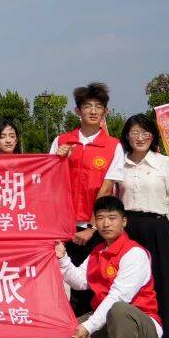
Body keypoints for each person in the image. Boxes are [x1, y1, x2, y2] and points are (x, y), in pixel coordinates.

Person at [97, 114, 169, 338]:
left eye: (145, 133)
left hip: (157, 228)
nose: (139, 137)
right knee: (131, 289)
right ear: (126, 136)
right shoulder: (120, 164)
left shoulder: (164, 164)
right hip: (128, 231)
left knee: (164, 287)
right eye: (134, 132)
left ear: (153, 136)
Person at [50, 196, 162, 338]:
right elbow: (79, 281)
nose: (106, 223)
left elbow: (118, 296)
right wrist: (62, 257)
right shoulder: (97, 251)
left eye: (112, 217)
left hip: (142, 324)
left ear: (124, 221)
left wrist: (88, 326)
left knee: (118, 309)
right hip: (107, 322)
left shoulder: (134, 254)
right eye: (100, 218)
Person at [52, 82, 125, 314]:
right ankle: (65, 336)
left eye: (98, 106)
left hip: (95, 228)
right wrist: (57, 159)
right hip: (63, 227)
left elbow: (106, 190)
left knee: (91, 284)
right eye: (87, 106)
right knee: (57, 281)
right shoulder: (62, 141)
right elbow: (49, 184)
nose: (93, 111)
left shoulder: (114, 146)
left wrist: (91, 228)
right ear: (77, 111)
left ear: (106, 112)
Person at [0, 120, 36, 338]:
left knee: (24, 285)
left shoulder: (31, 165)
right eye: (3, 136)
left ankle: (26, 337)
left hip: (23, 232)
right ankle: (1, 337)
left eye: (12, 135)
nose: (8, 140)